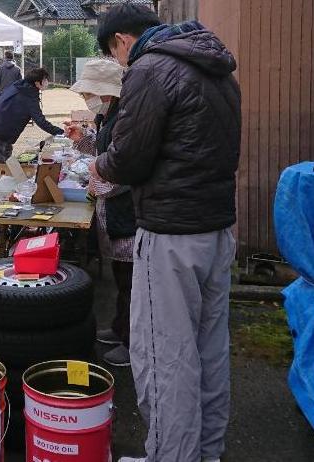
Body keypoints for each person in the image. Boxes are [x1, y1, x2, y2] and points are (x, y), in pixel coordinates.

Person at [95, 4, 241, 462]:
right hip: (216, 228)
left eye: (114, 54)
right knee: (209, 350)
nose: (120, 64)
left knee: (165, 358)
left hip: (171, 233)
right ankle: (204, 453)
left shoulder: (150, 68)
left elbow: (130, 158)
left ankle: (170, 456)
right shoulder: (216, 67)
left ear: (121, 40)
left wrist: (101, 165)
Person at [64, 58, 135, 367]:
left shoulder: (126, 117)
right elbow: (104, 151)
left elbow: (125, 166)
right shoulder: (110, 116)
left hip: (128, 211)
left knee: (133, 283)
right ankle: (120, 328)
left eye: (88, 94)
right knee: (122, 278)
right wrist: (83, 141)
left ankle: (134, 344)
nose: (85, 100)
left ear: (105, 92)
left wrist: (97, 182)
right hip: (117, 209)